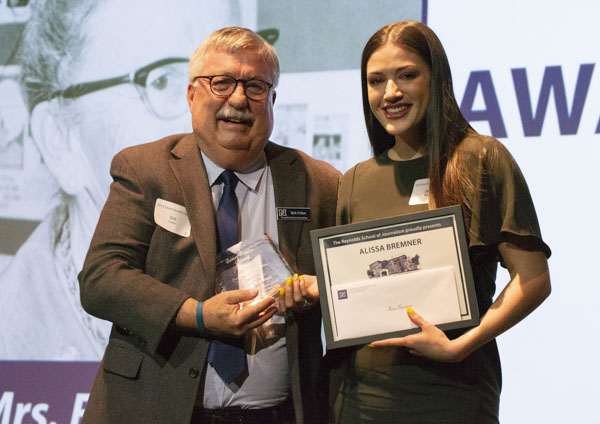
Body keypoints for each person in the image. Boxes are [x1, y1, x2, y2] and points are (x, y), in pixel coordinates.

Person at [77, 27, 339, 424]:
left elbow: (348, 287)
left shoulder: (318, 182)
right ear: (191, 94)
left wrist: (318, 291)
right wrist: (195, 314)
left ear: (272, 99)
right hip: (153, 410)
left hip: (279, 414)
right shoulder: (145, 168)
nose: (238, 99)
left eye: (254, 86)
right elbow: (101, 280)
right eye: (221, 83)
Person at [327, 21, 551, 423]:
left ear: (436, 78)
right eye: (376, 81)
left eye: (407, 75)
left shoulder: (481, 158)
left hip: (452, 397)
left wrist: (462, 344)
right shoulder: (356, 179)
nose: (390, 93)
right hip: (360, 402)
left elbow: (533, 280)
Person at [0, 0, 239, 360]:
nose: (229, 109)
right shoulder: (15, 339)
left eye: (233, 79)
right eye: (162, 80)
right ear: (60, 139)